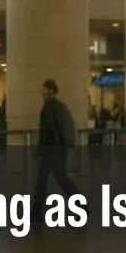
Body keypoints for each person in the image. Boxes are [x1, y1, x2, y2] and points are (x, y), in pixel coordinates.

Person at [35, 79, 79, 216]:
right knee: (59, 179)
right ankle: (81, 205)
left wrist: (41, 149)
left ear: (50, 90)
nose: (42, 93)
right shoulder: (60, 106)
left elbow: (47, 131)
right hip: (59, 149)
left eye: (44, 90)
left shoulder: (48, 107)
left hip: (51, 151)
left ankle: (36, 213)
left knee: (45, 181)